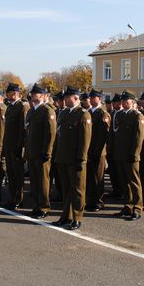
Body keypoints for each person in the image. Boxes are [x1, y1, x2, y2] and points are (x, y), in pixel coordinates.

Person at [53, 86, 91, 230]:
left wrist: (81, 159)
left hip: (75, 159)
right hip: (62, 158)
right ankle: (65, 216)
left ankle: (77, 218)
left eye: (67, 97)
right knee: (66, 189)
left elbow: (85, 140)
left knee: (77, 190)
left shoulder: (83, 114)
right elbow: (59, 137)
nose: (64, 100)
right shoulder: (63, 113)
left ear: (75, 98)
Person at [112, 90, 144, 221]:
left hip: (131, 155)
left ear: (133, 102)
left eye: (127, 101)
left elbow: (138, 137)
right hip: (120, 154)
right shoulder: (119, 115)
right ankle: (127, 206)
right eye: (123, 101)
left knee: (134, 182)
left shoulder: (137, 116)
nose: (125, 103)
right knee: (124, 182)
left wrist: (134, 154)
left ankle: (137, 208)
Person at [25, 84, 56, 219]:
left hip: (42, 152)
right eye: (32, 93)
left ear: (43, 96)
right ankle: (37, 205)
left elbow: (50, 134)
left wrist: (47, 152)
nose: (33, 95)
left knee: (43, 181)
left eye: (36, 93)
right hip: (32, 151)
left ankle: (44, 206)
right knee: (35, 181)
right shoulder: (31, 111)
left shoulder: (47, 111)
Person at [2, 83, 29, 210]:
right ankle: (12, 198)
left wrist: (20, 147)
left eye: (8, 92)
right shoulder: (10, 107)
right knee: (11, 173)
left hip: (16, 147)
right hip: (8, 145)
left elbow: (23, 129)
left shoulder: (22, 107)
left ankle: (19, 199)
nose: (6, 95)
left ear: (15, 93)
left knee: (18, 175)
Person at [85, 89, 110, 212]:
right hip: (89, 150)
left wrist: (97, 151)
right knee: (90, 177)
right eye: (90, 97)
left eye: (94, 97)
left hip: (99, 152)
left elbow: (103, 136)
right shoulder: (89, 112)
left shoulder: (103, 114)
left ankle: (98, 202)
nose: (91, 99)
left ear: (99, 99)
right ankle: (90, 200)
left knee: (98, 178)